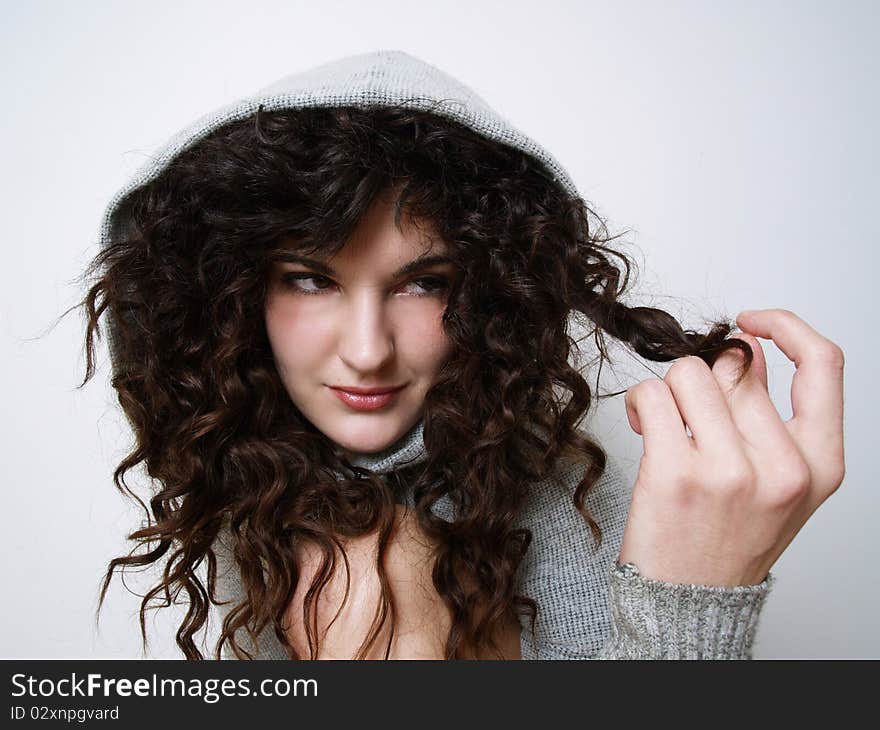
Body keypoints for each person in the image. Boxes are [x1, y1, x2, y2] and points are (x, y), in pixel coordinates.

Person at [78, 50, 845, 660]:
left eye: (424, 283)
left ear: (490, 291)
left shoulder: (621, 504)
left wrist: (690, 607)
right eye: (311, 279)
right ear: (231, 290)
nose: (369, 352)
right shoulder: (250, 483)